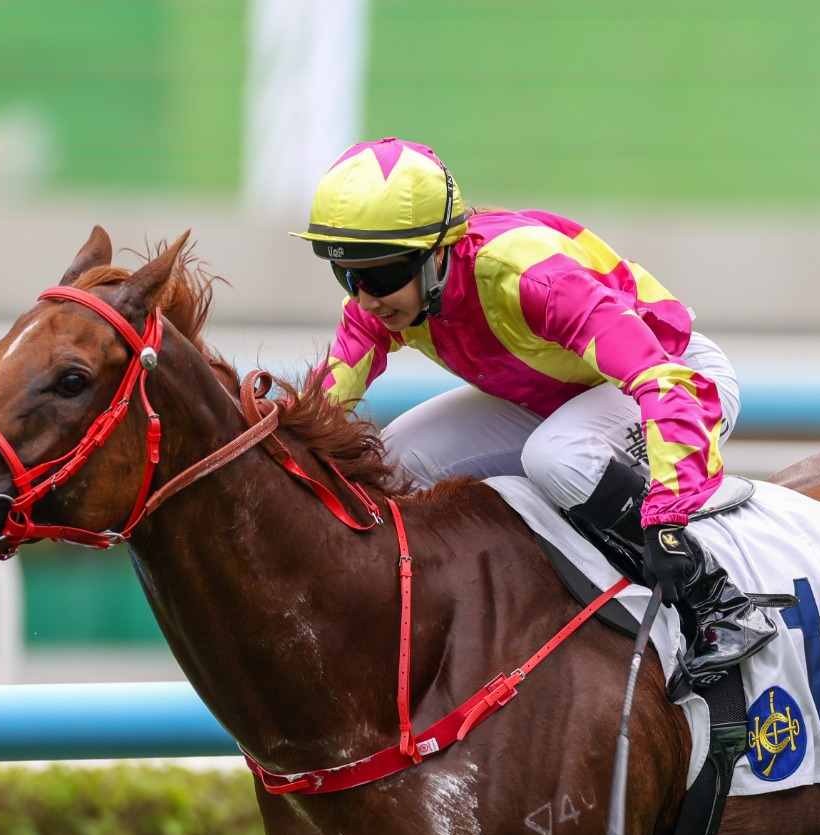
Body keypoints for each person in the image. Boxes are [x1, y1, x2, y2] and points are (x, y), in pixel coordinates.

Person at [291, 136, 776, 685]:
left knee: (559, 456)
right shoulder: (382, 301)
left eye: (380, 276)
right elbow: (322, 414)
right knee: (396, 461)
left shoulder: (530, 277)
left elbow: (659, 380)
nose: (365, 299)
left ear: (437, 252)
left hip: (678, 377)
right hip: (556, 400)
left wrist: (665, 517)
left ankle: (718, 602)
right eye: (348, 275)